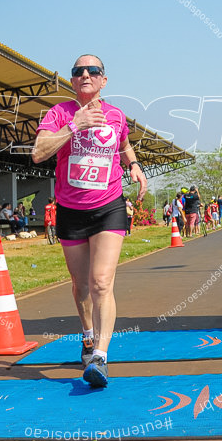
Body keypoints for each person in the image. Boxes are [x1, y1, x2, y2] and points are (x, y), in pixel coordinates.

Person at [32, 54, 147, 388]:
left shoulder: (115, 115)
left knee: (100, 282)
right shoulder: (59, 113)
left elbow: (123, 143)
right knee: (80, 285)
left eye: (92, 70)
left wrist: (134, 165)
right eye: (78, 71)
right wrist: (75, 125)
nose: (85, 74)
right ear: (72, 80)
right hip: (70, 209)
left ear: (103, 80)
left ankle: (100, 355)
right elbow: (38, 152)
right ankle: (87, 334)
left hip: (108, 206)